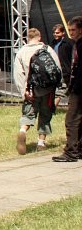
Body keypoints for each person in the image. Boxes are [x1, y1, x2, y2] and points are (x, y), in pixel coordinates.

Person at [13, 28, 60, 154]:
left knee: (28, 115)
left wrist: (24, 91)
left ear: (27, 38)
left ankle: (22, 131)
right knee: (45, 115)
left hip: (31, 90)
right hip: (48, 90)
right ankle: (41, 143)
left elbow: (18, 75)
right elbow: (57, 69)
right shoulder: (48, 49)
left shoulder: (21, 52)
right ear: (39, 38)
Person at [54, 16, 82, 163]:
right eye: (69, 30)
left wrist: (74, 87)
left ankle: (71, 151)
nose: (71, 33)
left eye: (74, 30)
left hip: (79, 89)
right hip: (77, 86)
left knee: (71, 119)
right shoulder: (75, 44)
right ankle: (78, 149)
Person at [51, 23, 74, 107]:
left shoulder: (68, 43)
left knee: (63, 91)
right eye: (54, 33)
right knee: (60, 91)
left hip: (66, 71)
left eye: (57, 33)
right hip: (56, 71)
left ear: (63, 33)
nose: (55, 34)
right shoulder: (53, 43)